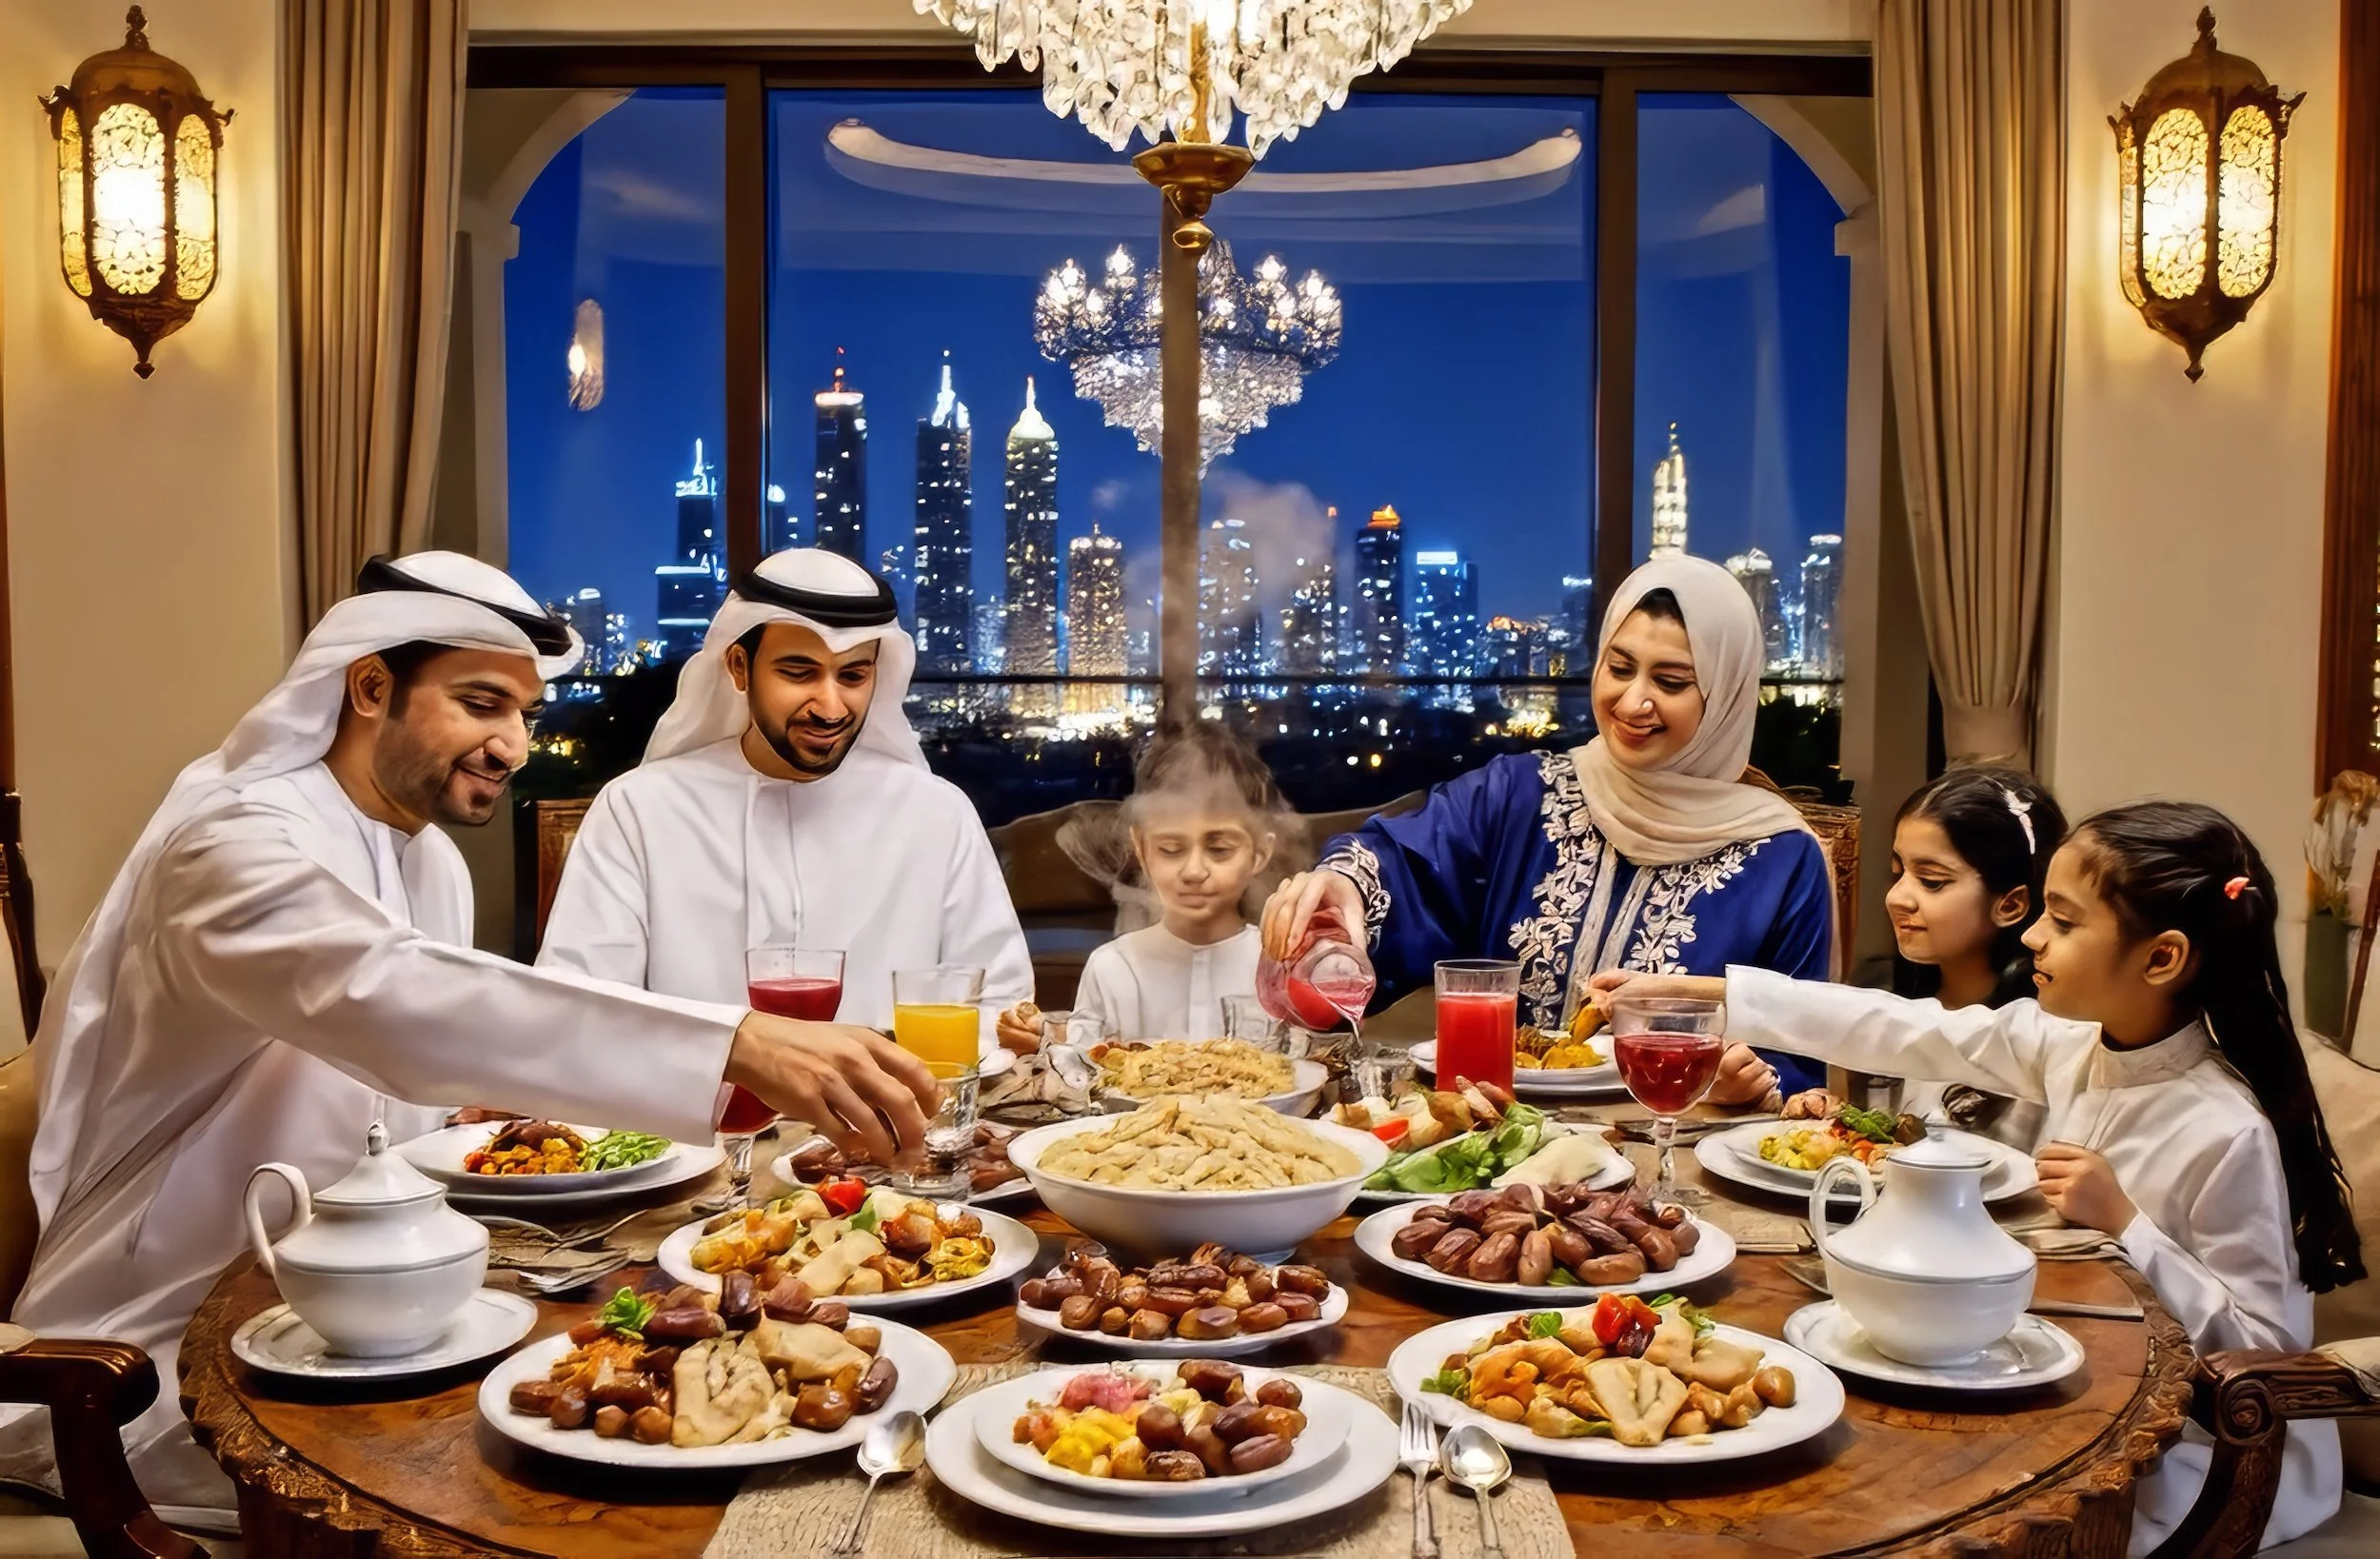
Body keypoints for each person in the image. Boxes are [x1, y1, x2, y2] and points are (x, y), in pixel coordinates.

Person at [4, 552, 937, 1528]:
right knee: (595, 1485)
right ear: (370, 685)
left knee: (707, 1407)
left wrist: (473, 1109)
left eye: (524, 715)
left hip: (381, 1311)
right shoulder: (229, 844)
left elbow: (406, 1071)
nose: (513, 745)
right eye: (482, 705)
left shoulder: (428, 857)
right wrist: (737, 1041)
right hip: (160, 1359)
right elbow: (386, 995)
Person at [1597, 801, 2364, 1553]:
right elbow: (1898, 1026)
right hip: (2085, 1367)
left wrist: (2128, 1225)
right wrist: (1693, 995)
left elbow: (2267, 1350)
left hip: (2203, 1454)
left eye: (2063, 921)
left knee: (1909, 1493)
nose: (2032, 934)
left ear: (2161, 957)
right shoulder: (2068, 1042)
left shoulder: (2224, 1127)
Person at [1262, 555, 1835, 1101]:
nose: (1634, 701)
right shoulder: (1520, 794)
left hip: (1672, 1158)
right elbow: (1405, 859)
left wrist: (1745, 1083)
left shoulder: (1782, 859)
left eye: (1672, 681)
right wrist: (1344, 888)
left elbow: (1798, 1054)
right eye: (1619, 668)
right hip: (1490, 1133)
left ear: (1726, 695)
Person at [538, 548, 1031, 1043]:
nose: (831, 705)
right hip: (692, 1118)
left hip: (895, 1114)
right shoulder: (640, 810)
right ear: (738, 667)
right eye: (799, 673)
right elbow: (582, 1005)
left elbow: (999, 1004)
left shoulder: (936, 813)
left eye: (854, 676)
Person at [997, 721, 1293, 1048]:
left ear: (1260, 852)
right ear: (1141, 847)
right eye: (1171, 849)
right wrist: (1046, 1037)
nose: (1194, 870)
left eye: (1219, 849)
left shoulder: (1281, 965)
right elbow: (1085, 1060)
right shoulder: (1114, 966)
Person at [1875, 765, 2067, 1148]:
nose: (1896, 898)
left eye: (1931, 881)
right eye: (1898, 872)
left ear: (2011, 904)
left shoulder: (2042, 1036)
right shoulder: (1894, 1000)